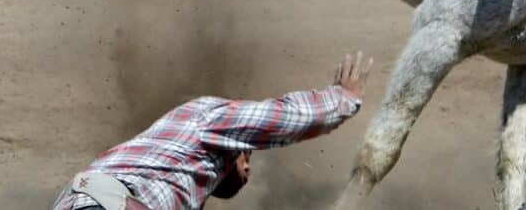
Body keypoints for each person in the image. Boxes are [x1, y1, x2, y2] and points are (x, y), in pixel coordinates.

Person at [53, 52, 373, 210]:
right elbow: (281, 118)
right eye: (247, 156)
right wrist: (341, 98)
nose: (247, 170)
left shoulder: (172, 165)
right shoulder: (207, 117)